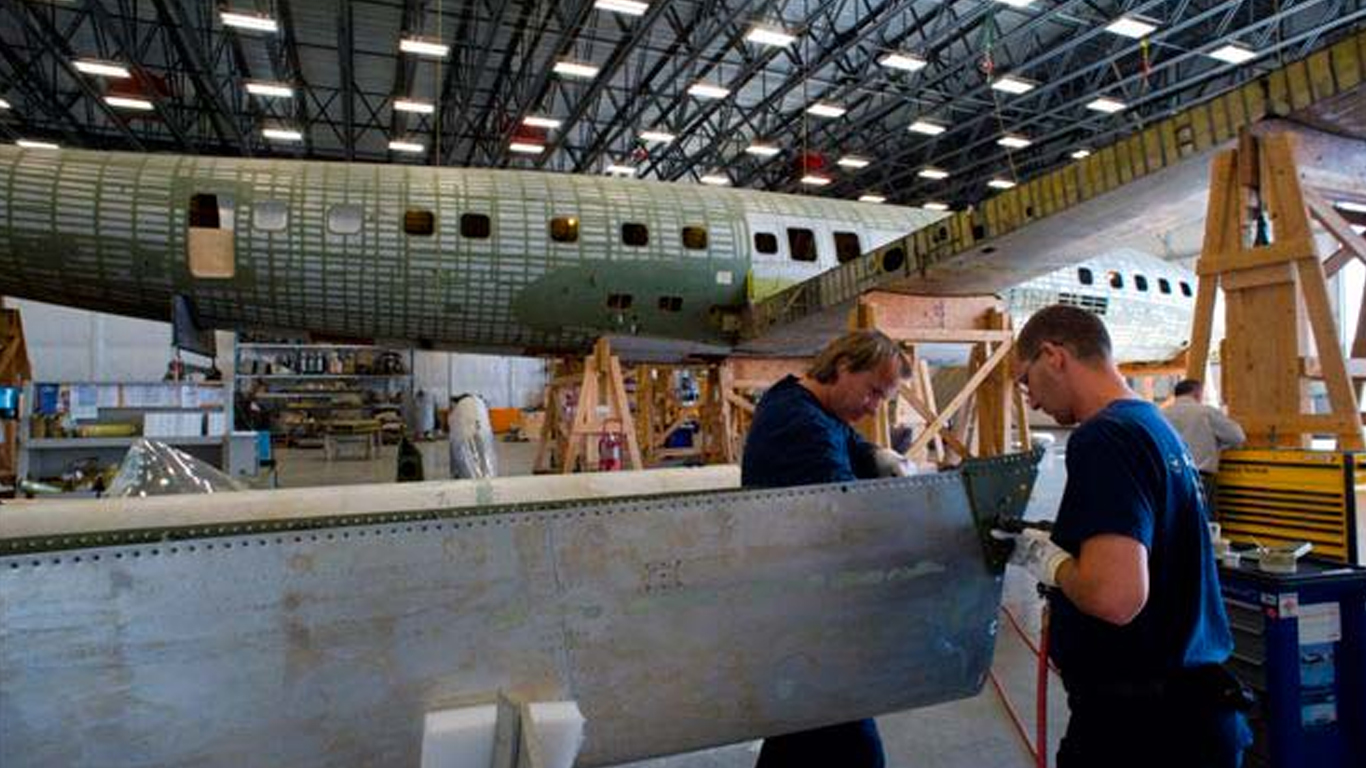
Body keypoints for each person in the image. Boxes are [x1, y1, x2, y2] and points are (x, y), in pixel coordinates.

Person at [998, 305, 1251, 768]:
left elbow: (1114, 596)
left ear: (1053, 356)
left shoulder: (1105, 436)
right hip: (1192, 714)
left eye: (1025, 381)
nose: (1031, 401)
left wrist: (1047, 560)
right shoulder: (1155, 426)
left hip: (1140, 730)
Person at [742, 329, 913, 768]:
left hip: (792, 607)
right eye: (873, 391)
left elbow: (850, 443)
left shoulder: (794, 399)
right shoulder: (803, 425)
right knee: (853, 747)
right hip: (807, 612)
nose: (874, 406)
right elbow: (850, 517)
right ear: (842, 367)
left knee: (800, 735)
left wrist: (880, 454)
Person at [1164, 378, 1246, 506]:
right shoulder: (1205, 412)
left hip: (1170, 479)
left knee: (1176, 522)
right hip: (1200, 479)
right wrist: (1218, 445)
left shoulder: (1162, 415)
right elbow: (1238, 437)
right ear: (1197, 393)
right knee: (1205, 522)